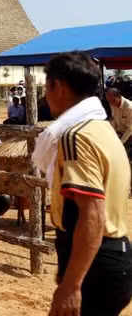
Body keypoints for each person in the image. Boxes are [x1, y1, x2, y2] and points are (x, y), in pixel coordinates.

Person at [42, 53, 132, 316]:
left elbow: (92, 213)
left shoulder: (76, 136)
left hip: (95, 265)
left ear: (58, 87)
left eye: (47, 88)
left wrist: (71, 284)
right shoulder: (103, 130)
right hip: (112, 257)